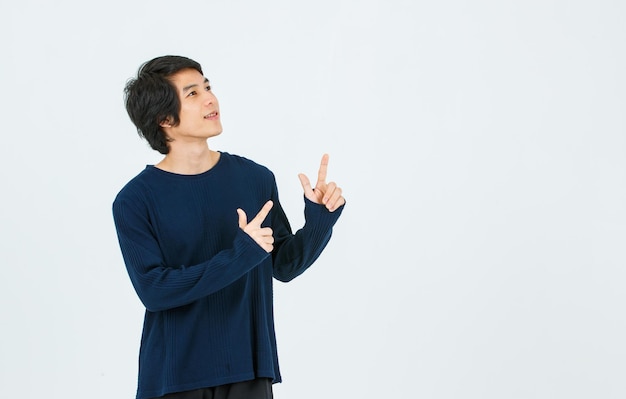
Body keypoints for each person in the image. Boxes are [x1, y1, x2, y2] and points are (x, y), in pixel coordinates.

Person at [112, 55, 345, 399]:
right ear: (163, 118)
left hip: (249, 370)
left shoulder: (254, 179)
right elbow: (154, 290)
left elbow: (282, 265)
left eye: (208, 87)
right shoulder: (135, 200)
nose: (210, 99)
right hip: (174, 378)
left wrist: (319, 220)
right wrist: (240, 255)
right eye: (192, 94)